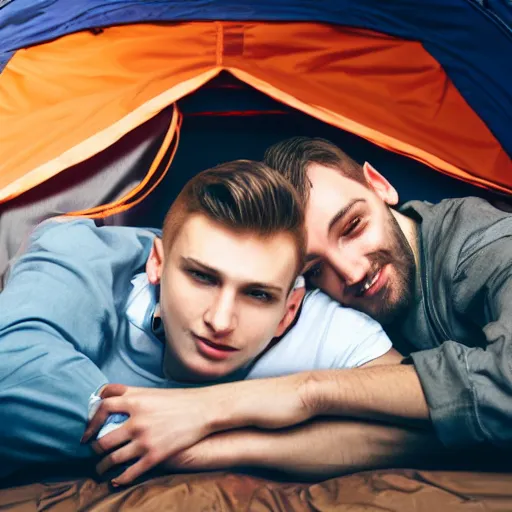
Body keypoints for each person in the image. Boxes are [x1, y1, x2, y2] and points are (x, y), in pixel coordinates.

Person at [86, 137, 512, 485]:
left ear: (379, 186)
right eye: (316, 267)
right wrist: (206, 448)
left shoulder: (488, 243)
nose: (353, 271)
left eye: (352, 227)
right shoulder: (324, 318)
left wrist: (303, 393)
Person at [0, 160, 396, 483]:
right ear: (157, 263)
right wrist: (141, 432)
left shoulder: (319, 327)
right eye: (202, 277)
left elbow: (436, 415)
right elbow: (10, 363)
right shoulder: (84, 257)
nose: (220, 320)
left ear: (288, 310)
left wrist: (210, 433)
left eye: (257, 294)